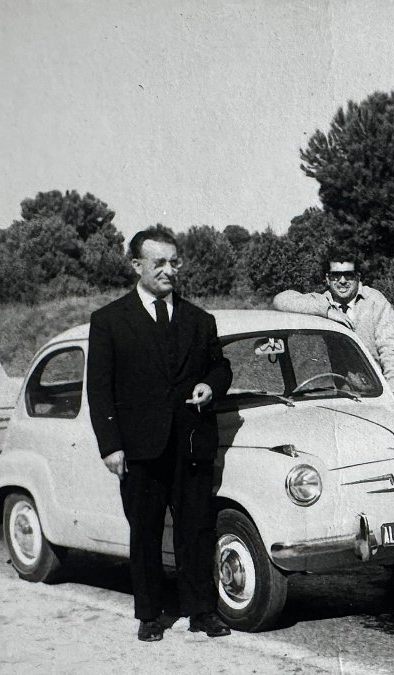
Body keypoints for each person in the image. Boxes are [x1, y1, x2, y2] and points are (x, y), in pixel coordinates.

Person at [86, 226, 233, 642]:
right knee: (146, 532)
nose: (170, 270)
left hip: (190, 443)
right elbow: (99, 389)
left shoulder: (200, 319)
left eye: (175, 262)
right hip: (139, 449)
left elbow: (220, 367)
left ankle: (202, 611)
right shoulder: (109, 321)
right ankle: (150, 615)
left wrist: (211, 385)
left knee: (196, 530)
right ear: (137, 265)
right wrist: (111, 446)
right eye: (160, 263)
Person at [271, 255, 394, 409]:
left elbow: (390, 353)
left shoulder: (375, 301)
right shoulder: (323, 301)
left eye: (348, 275)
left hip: (381, 392)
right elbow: (280, 300)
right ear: (328, 279)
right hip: (346, 396)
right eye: (336, 275)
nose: (342, 281)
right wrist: (328, 311)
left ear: (357, 277)